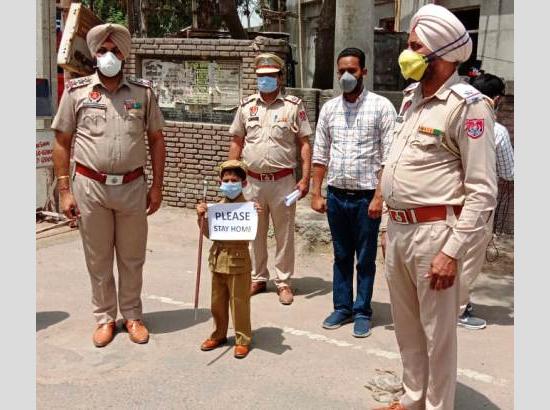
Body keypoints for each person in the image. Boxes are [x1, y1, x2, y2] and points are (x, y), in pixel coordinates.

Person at [375, 4, 497, 410]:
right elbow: (394, 166)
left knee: (437, 335)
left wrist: (451, 251)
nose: (405, 53)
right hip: (399, 231)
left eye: (413, 46)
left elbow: (482, 191)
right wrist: (385, 230)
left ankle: (437, 406)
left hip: (435, 236)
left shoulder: (468, 105)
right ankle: (413, 399)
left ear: (440, 52)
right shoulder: (412, 99)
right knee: (407, 329)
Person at [51, 23, 166, 348]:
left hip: (131, 187)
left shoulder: (143, 92)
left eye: (116, 51)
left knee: (132, 257)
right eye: (103, 51)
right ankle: (104, 318)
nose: (109, 56)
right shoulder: (77, 92)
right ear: (94, 55)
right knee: (98, 258)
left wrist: (157, 187)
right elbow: (61, 141)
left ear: (124, 55)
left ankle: (132, 315)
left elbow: (157, 140)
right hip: (90, 187)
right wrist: (64, 190)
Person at [310, 47, 396, 337]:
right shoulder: (330, 109)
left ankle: (362, 311)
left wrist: (378, 198)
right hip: (336, 195)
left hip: (365, 198)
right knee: (341, 255)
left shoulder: (381, 107)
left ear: (364, 72)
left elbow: (388, 157)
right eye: (342, 71)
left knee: (366, 258)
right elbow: (320, 153)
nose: (346, 76)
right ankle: (342, 307)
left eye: (352, 70)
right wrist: (316, 192)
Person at [228, 52, 313, 305]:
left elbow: (305, 144)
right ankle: (257, 276)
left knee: (284, 233)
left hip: (283, 182)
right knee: (255, 231)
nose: (265, 80)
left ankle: (284, 281)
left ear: (279, 77)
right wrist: (232, 175)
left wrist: (305, 179)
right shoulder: (246, 107)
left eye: (270, 76)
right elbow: (236, 141)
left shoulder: (292, 106)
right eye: (261, 76)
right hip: (251, 181)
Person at [457, 72, 514, 329]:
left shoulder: (454, 116)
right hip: (478, 204)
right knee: (468, 259)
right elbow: (507, 171)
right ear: (498, 98)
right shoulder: (497, 129)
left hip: (446, 199)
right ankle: (457, 310)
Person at [196, 160, 260, 359]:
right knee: (217, 302)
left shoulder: (249, 208)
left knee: (239, 302)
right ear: (220, 182)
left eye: (234, 180)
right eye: (226, 180)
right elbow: (209, 234)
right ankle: (219, 334)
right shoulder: (216, 208)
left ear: (243, 182)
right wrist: (201, 218)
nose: (230, 183)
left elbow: (250, 234)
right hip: (218, 259)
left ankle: (242, 339)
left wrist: (255, 214)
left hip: (238, 260)